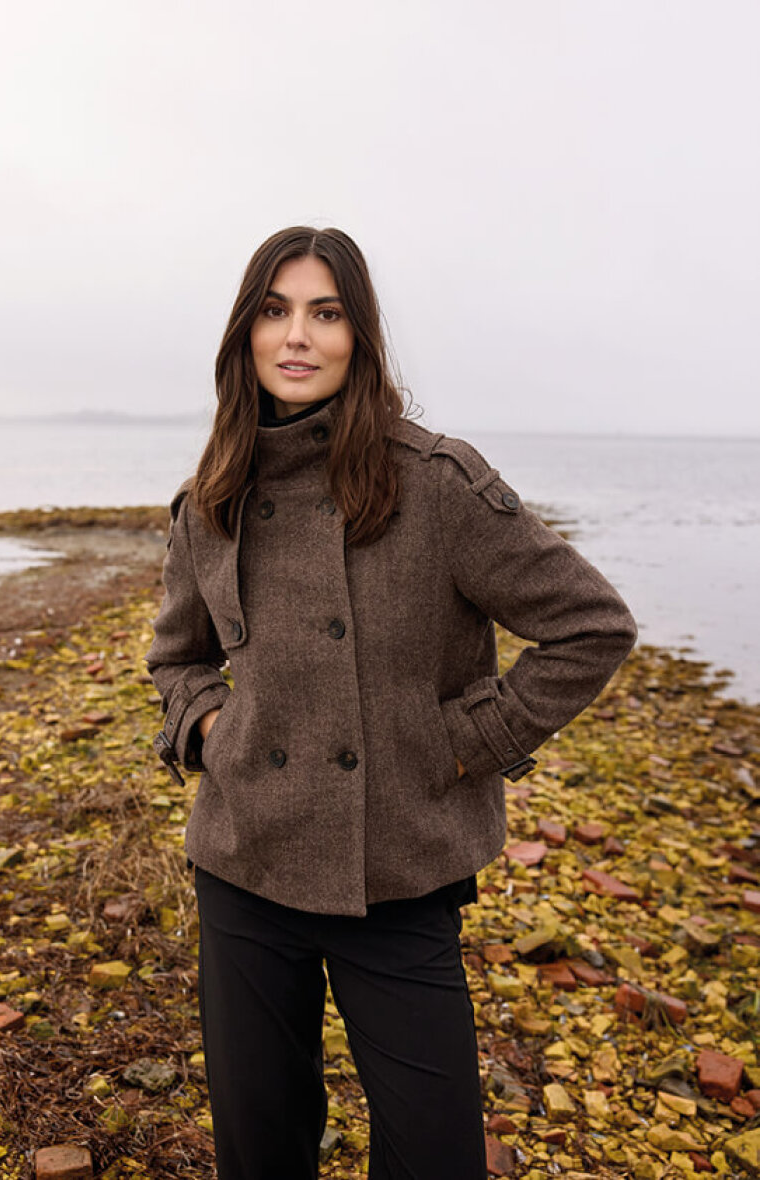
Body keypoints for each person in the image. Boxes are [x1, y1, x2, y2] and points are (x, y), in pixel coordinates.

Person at [145, 226, 637, 1180]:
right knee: (259, 1148)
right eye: (275, 311)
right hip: (244, 862)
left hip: (401, 870)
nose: (298, 335)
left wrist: (459, 742)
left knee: (435, 1155)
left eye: (325, 313)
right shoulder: (211, 498)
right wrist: (212, 725)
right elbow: (176, 657)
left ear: (359, 338)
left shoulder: (435, 483)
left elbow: (591, 625)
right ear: (246, 334)